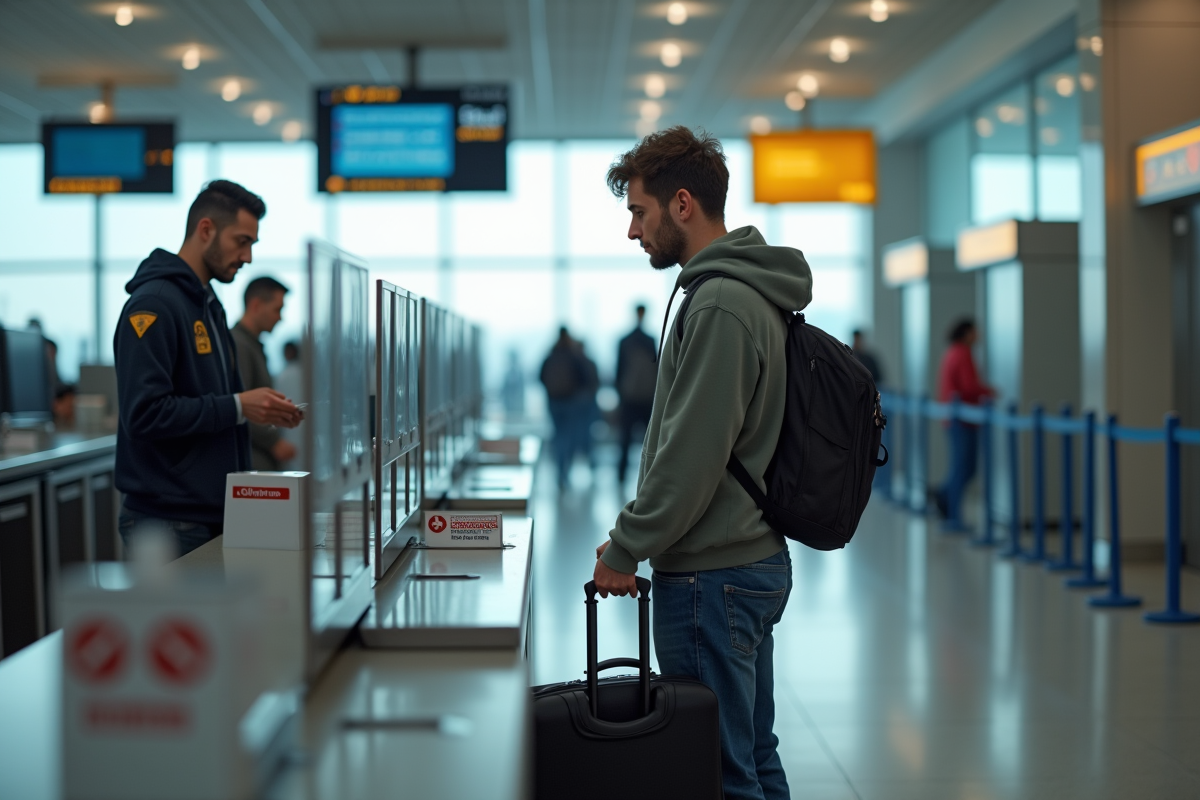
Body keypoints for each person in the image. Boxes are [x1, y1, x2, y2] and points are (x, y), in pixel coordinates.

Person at [593, 126, 812, 800]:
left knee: (719, 773)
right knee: (752, 755)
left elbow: (692, 454)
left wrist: (628, 546)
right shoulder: (738, 291)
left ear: (682, 204)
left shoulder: (720, 302)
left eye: (639, 211)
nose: (633, 232)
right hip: (740, 561)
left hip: (712, 575)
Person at [114, 180, 303, 557]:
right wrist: (238, 406)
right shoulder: (154, 305)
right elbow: (145, 413)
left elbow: (210, 400)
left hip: (210, 513)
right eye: (241, 241)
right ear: (206, 230)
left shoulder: (207, 306)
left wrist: (248, 407)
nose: (247, 257)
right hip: (169, 520)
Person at [933, 318, 995, 530]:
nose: (979, 335)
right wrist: (989, 392)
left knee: (961, 466)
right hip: (963, 420)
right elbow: (969, 386)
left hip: (953, 417)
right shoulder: (963, 353)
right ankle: (951, 511)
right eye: (976, 331)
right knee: (965, 467)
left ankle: (944, 497)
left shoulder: (951, 352)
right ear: (967, 333)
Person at [231, 276, 297, 471]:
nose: (280, 317)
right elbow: (239, 406)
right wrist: (273, 443)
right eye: (277, 309)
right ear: (256, 305)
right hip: (251, 461)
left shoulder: (251, 345)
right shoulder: (239, 345)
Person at [539, 327, 587, 489]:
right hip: (570, 402)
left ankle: (560, 472)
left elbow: (541, 376)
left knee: (558, 436)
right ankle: (564, 473)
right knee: (568, 437)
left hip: (554, 402)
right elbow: (583, 378)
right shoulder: (573, 356)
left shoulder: (551, 355)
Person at [615, 304, 658, 484]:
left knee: (625, 439)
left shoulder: (625, 341)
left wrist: (620, 393)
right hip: (647, 398)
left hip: (629, 398)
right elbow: (657, 369)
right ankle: (649, 476)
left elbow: (619, 370)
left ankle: (622, 475)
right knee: (649, 440)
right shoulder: (650, 340)